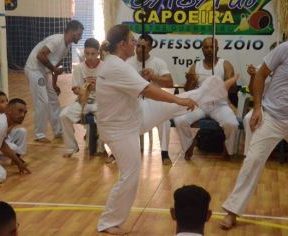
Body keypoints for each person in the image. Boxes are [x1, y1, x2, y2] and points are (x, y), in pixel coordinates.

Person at [96, 24, 238, 235]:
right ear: (122, 45)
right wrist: (177, 100)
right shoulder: (116, 66)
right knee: (131, 175)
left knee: (175, 103)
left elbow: (150, 91)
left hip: (135, 116)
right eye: (132, 40)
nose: (136, 44)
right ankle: (108, 223)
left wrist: (178, 101)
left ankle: (213, 90)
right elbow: (148, 89)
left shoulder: (115, 63)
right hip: (119, 130)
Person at [220, 27, 288, 230]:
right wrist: (257, 107)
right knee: (253, 160)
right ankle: (232, 211)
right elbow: (261, 75)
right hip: (272, 116)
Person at [174, 37, 238, 160]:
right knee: (180, 120)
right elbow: (188, 90)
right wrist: (190, 81)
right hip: (199, 104)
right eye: (206, 47)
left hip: (219, 104)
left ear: (217, 49)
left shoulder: (225, 64)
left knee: (232, 124)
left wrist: (230, 81)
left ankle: (228, 149)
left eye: (212, 47)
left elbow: (232, 88)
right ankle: (188, 145)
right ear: (202, 49)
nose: (209, 50)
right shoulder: (195, 66)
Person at [24, 20, 84, 143]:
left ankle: (58, 131)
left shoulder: (67, 46)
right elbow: (40, 56)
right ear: (71, 31)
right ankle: (39, 134)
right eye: (79, 34)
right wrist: (53, 69)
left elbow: (56, 65)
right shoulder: (57, 40)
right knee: (43, 101)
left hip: (42, 72)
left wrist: (54, 84)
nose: (80, 36)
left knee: (53, 100)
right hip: (34, 70)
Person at [126, 34, 174, 165]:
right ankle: (118, 152)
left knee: (164, 120)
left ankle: (164, 152)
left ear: (150, 48)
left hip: (154, 99)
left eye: (144, 47)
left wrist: (154, 76)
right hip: (135, 99)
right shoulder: (128, 62)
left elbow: (169, 82)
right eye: (138, 46)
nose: (140, 50)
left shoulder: (158, 62)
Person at [59, 38, 107, 158]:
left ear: (98, 53)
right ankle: (71, 147)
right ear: (84, 52)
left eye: (93, 54)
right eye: (87, 53)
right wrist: (83, 91)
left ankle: (101, 147)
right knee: (64, 116)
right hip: (83, 102)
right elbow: (75, 89)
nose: (89, 57)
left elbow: (110, 89)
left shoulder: (105, 67)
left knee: (105, 118)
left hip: (101, 102)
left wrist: (97, 87)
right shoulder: (79, 68)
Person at [0, 91, 27, 162]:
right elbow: (1, 135)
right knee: (13, 147)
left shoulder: (7, 112)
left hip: (4, 138)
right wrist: (13, 124)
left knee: (22, 131)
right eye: (2, 102)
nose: (6, 103)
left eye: (7, 101)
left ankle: (17, 157)